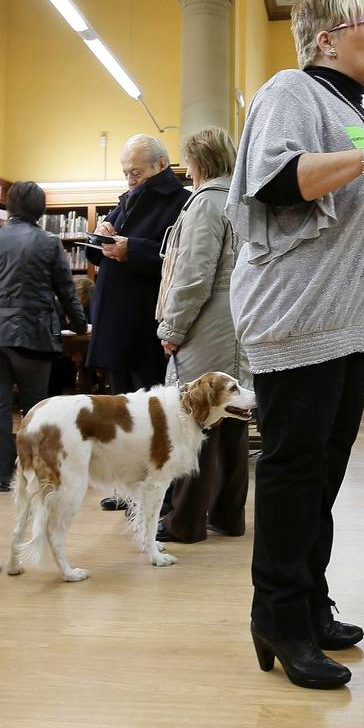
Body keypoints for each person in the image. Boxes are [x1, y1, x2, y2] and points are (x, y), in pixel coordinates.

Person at [228, 0, 364, 689]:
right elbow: (278, 180)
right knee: (293, 473)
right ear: (326, 38)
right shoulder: (292, 88)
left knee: (322, 473)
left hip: (346, 322)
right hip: (297, 316)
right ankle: (278, 619)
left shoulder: (353, 112)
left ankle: (309, 605)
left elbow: (362, 205)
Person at [154, 126, 249, 544]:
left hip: (210, 320)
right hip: (239, 318)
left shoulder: (206, 203)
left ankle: (185, 521)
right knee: (231, 419)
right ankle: (228, 516)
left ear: (196, 162)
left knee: (194, 420)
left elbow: (193, 275)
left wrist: (172, 328)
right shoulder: (241, 199)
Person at [85, 134, 189, 511]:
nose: (129, 178)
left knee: (151, 411)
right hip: (116, 323)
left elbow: (178, 258)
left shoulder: (179, 202)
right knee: (120, 412)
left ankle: (156, 493)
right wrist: (101, 237)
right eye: (126, 172)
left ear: (161, 166)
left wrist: (134, 249)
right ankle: (127, 487)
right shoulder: (127, 199)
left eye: (136, 171)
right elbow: (100, 250)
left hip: (146, 323)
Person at [0, 181, 87, 492]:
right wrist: (79, 324)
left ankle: (0, 474)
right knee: (35, 406)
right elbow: (65, 288)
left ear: (10, 208)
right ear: (41, 209)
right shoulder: (48, 242)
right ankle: (35, 470)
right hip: (31, 331)